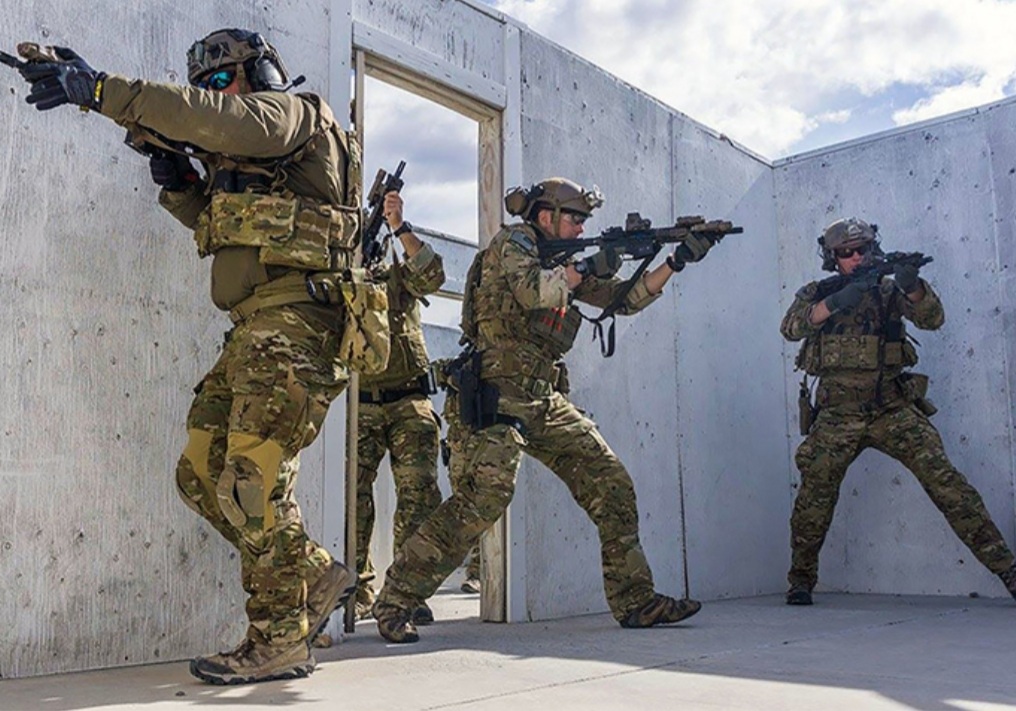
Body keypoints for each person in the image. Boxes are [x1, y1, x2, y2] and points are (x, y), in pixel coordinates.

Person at [14, 29, 365, 683]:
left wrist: (101, 91)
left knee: (253, 481)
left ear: (259, 74)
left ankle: (279, 640)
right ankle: (313, 574)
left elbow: (208, 118)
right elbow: (223, 228)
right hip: (254, 328)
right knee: (201, 471)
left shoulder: (293, 114)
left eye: (221, 80)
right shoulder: (254, 153)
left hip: (296, 324)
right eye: (204, 84)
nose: (213, 94)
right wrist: (179, 185)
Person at [371, 177, 723, 642]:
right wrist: (588, 265)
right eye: (575, 220)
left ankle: (636, 600)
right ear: (545, 216)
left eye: (583, 222)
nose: (580, 229)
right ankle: (396, 599)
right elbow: (534, 291)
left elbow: (625, 299)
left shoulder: (564, 260)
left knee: (610, 482)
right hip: (495, 391)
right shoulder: (513, 243)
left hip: (542, 396)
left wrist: (676, 261)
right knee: (484, 498)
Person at [781, 217, 1016, 605]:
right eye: (846, 253)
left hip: (891, 408)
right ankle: (801, 580)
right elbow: (790, 328)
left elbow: (932, 319)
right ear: (832, 257)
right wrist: (835, 302)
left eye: (861, 250)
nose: (856, 258)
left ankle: (1007, 569)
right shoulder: (819, 292)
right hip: (838, 414)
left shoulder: (888, 291)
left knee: (948, 484)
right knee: (815, 496)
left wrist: (912, 285)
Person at [354, 194, 446, 625]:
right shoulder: (344, 276)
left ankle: (406, 591)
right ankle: (356, 590)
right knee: (353, 499)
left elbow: (433, 273)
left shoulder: (399, 275)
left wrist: (399, 226)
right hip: (361, 404)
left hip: (410, 400)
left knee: (419, 496)